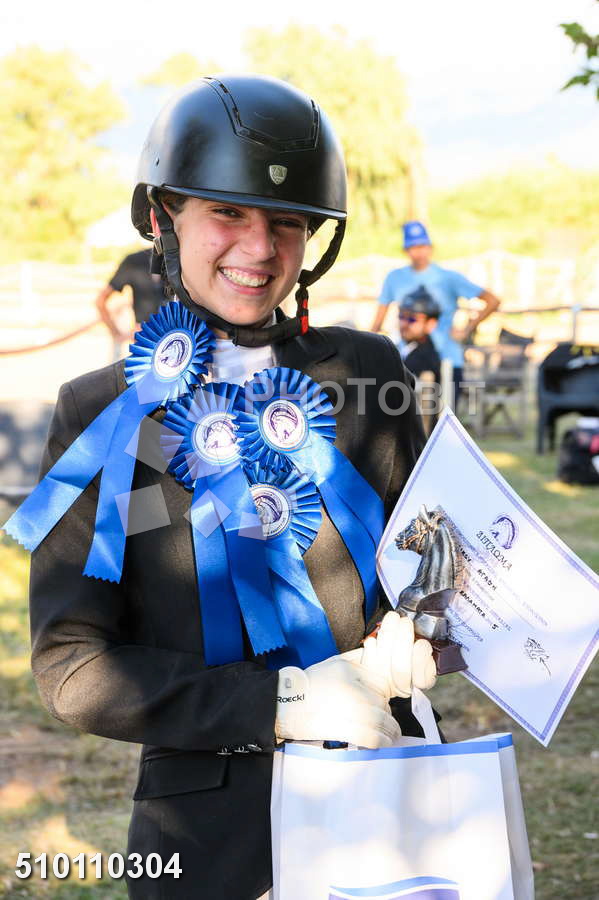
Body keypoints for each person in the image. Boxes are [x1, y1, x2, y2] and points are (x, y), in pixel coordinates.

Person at [29, 76, 437, 900]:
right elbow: (72, 665)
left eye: (286, 222)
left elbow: (430, 559)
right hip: (207, 836)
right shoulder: (101, 413)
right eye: (227, 213)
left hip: (390, 796)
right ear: (163, 217)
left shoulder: (369, 374)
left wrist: (422, 623)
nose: (259, 248)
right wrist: (277, 703)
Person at [370, 220, 501, 399]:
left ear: (430, 248)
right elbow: (378, 321)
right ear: (406, 250)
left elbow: (492, 300)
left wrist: (467, 329)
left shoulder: (448, 278)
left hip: (445, 358)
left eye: (422, 246)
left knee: (445, 413)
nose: (419, 252)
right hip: (408, 362)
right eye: (413, 247)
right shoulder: (395, 278)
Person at [95, 247, 167, 358]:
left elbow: (100, 301)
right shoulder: (133, 261)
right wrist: (116, 333)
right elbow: (100, 301)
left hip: (179, 344)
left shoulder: (183, 257)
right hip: (148, 345)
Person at [397, 285, 442, 384]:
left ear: (431, 324)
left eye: (412, 319)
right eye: (401, 316)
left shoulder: (428, 360)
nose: (404, 323)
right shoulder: (401, 348)